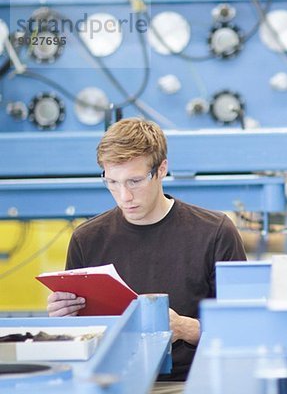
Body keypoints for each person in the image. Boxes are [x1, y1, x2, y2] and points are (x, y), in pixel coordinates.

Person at [46, 117, 247, 381]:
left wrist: (185, 328)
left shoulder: (215, 232)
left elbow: (244, 331)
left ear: (162, 169)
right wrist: (64, 318)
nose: (124, 197)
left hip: (188, 382)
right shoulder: (87, 239)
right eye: (112, 183)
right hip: (110, 382)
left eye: (135, 181)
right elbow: (81, 338)